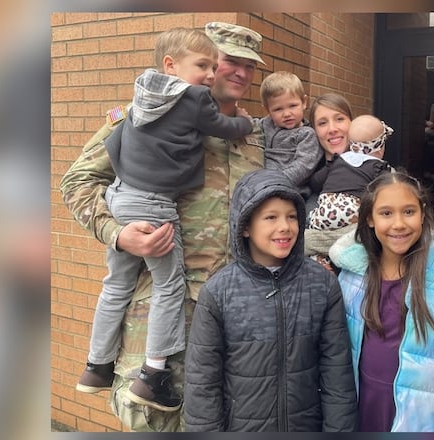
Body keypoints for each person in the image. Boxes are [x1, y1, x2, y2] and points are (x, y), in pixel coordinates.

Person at [60, 21, 266, 431]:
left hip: (237, 317)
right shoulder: (143, 116)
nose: (239, 73)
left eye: (249, 65)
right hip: (161, 317)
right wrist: (116, 234)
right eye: (228, 61)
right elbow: (77, 180)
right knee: (157, 421)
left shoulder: (256, 134)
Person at [183, 169, 357, 432]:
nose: (284, 227)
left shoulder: (322, 285)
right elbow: (202, 384)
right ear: (245, 228)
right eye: (270, 217)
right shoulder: (219, 293)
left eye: (291, 217)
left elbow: (337, 374)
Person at [328, 171, 434, 432]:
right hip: (359, 418)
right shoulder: (349, 280)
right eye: (386, 213)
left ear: (423, 214)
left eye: (408, 211)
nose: (398, 224)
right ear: (370, 218)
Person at [308, 114, 393, 231]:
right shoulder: (378, 167)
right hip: (354, 211)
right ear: (380, 148)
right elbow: (390, 193)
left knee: (312, 220)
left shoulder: (338, 160)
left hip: (326, 211)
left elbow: (316, 182)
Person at [301, 93, 356, 269]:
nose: (332, 129)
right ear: (314, 130)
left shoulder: (376, 170)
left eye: (339, 119)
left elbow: (377, 232)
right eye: (322, 123)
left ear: (351, 123)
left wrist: (309, 240)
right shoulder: (305, 178)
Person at [259, 71, 322, 199]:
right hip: (262, 187)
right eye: (278, 109)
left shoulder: (306, 134)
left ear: (304, 102)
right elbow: (248, 125)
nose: (287, 114)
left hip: (291, 190)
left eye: (292, 106)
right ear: (267, 110)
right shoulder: (266, 124)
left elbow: (303, 166)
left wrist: (275, 182)